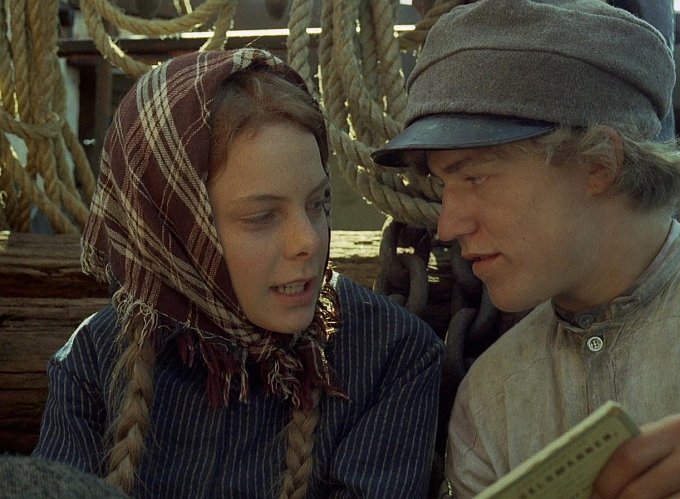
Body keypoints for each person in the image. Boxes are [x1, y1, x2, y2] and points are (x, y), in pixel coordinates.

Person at [371, 0, 680, 497]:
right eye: (444, 186)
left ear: (599, 164)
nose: (447, 225)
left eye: (476, 178)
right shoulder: (490, 401)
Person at [34, 48, 443, 498]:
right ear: (176, 231)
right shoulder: (94, 360)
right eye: (262, 216)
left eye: (318, 203)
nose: (308, 241)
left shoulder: (389, 355)